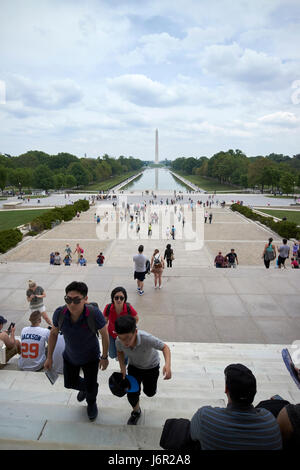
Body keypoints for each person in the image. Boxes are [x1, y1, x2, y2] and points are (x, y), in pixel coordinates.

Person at [44, 281, 109, 421]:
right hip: (70, 356)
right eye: (68, 299)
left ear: (85, 299)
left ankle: (91, 403)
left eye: (76, 300)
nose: (72, 304)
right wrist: (49, 357)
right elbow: (54, 333)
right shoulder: (60, 313)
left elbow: (105, 334)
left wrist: (104, 357)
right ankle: (88, 387)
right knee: (70, 383)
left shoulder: (94, 313)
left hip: (91, 357)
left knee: (91, 388)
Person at [190, 363, 282, 450]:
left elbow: (191, 433)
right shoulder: (271, 422)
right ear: (254, 392)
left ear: (226, 389)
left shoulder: (205, 417)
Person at [115, 315, 172, 425]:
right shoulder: (119, 341)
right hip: (134, 368)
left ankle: (150, 389)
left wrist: (167, 365)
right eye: (121, 338)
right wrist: (122, 368)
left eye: (128, 338)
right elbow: (120, 351)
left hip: (151, 367)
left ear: (135, 332)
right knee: (132, 393)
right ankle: (136, 412)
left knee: (149, 393)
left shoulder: (146, 338)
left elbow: (165, 347)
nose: (125, 342)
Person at [103, 287, 138, 360]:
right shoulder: (108, 307)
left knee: (125, 356)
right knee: (112, 354)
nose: (119, 300)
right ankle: (119, 356)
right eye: (116, 298)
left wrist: (130, 329)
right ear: (112, 298)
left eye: (121, 298)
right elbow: (104, 321)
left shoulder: (128, 308)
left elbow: (136, 318)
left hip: (125, 336)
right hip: (112, 334)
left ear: (124, 299)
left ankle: (124, 367)